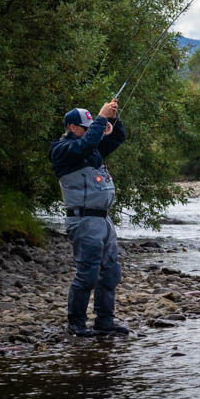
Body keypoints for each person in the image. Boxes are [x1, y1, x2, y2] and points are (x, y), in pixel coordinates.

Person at [49, 98, 130, 337]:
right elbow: (86, 144)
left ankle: (105, 321)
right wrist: (101, 118)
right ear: (73, 127)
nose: (90, 132)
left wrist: (113, 118)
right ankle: (76, 324)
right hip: (83, 220)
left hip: (104, 221)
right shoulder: (62, 150)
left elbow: (116, 138)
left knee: (110, 273)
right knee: (88, 273)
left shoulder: (91, 148)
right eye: (86, 127)